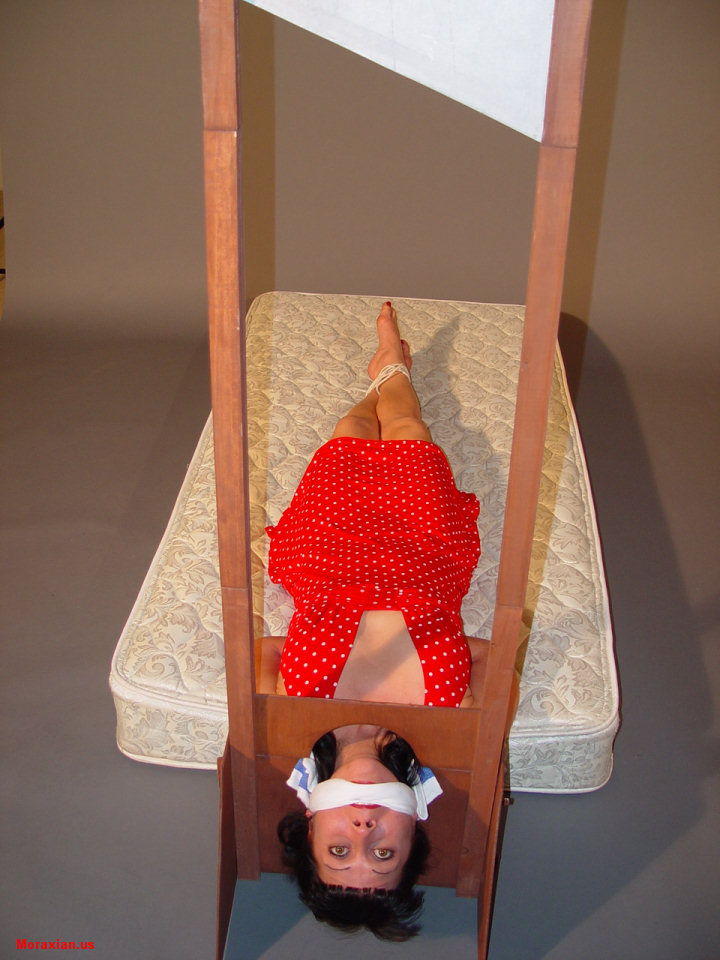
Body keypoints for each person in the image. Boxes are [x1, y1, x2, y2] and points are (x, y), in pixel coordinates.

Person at [261, 302, 485, 939]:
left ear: (310, 825)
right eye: (383, 853)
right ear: (413, 829)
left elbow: (262, 649)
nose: (364, 830)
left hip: (331, 552)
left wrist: (271, 691)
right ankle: (394, 369)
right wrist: (488, 696)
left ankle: (378, 378)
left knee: (350, 431)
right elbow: (491, 654)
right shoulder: (448, 706)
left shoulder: (296, 700)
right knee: (410, 428)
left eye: (340, 850)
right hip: (420, 556)